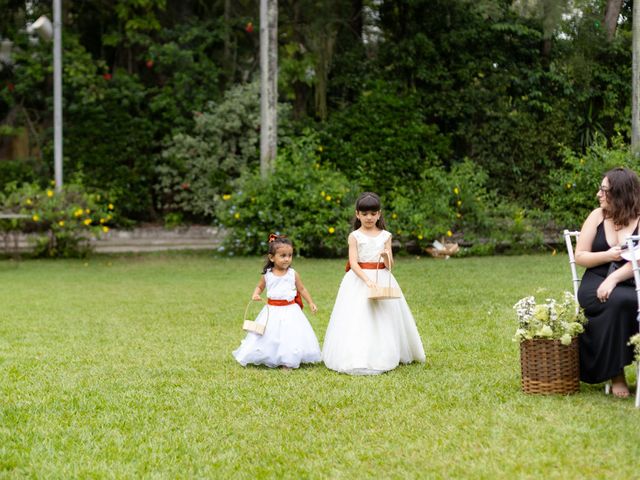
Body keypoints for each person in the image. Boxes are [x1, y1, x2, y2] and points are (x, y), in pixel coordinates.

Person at [322, 192, 426, 375]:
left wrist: (386, 257)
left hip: (381, 277)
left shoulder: (385, 235)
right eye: (364, 214)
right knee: (359, 316)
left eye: (373, 213)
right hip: (359, 279)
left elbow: (390, 264)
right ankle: (358, 354)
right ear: (357, 215)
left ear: (379, 214)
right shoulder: (354, 236)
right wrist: (367, 280)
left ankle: (384, 351)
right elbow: (353, 262)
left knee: (383, 315)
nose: (369, 218)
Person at [575, 167, 640, 398]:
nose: (598, 194)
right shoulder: (597, 216)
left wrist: (614, 278)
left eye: (604, 190)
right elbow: (580, 256)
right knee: (616, 302)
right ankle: (617, 374)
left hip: (631, 279)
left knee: (625, 299)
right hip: (596, 279)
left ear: (621, 193)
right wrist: (608, 256)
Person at [232, 234, 322, 369]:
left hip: (290, 310)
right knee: (268, 335)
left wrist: (310, 302)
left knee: (289, 335)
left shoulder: (293, 274)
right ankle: (270, 356)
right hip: (272, 310)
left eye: (290, 255)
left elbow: (302, 289)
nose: (287, 259)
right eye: (283, 255)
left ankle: (288, 361)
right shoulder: (267, 275)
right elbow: (260, 287)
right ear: (272, 257)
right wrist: (255, 294)